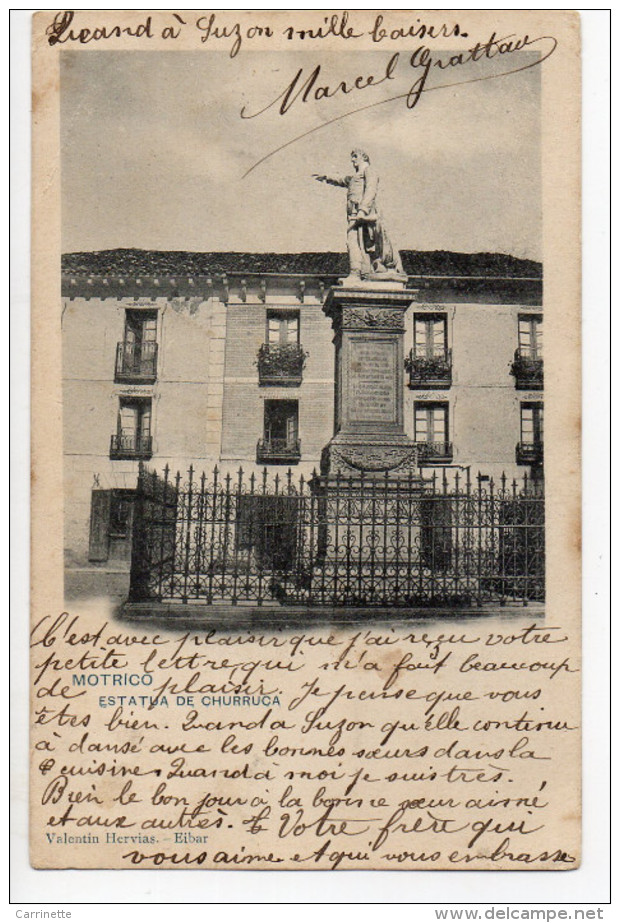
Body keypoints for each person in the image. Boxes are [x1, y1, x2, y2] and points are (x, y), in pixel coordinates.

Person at [313, 149, 404, 280]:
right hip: (354, 213)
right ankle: (359, 271)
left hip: (364, 214)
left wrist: (363, 210)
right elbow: (342, 179)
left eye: (355, 156)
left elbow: (370, 190)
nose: (352, 160)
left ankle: (357, 273)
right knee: (355, 242)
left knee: (356, 241)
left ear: (364, 157)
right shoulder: (355, 177)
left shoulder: (369, 171)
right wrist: (326, 177)